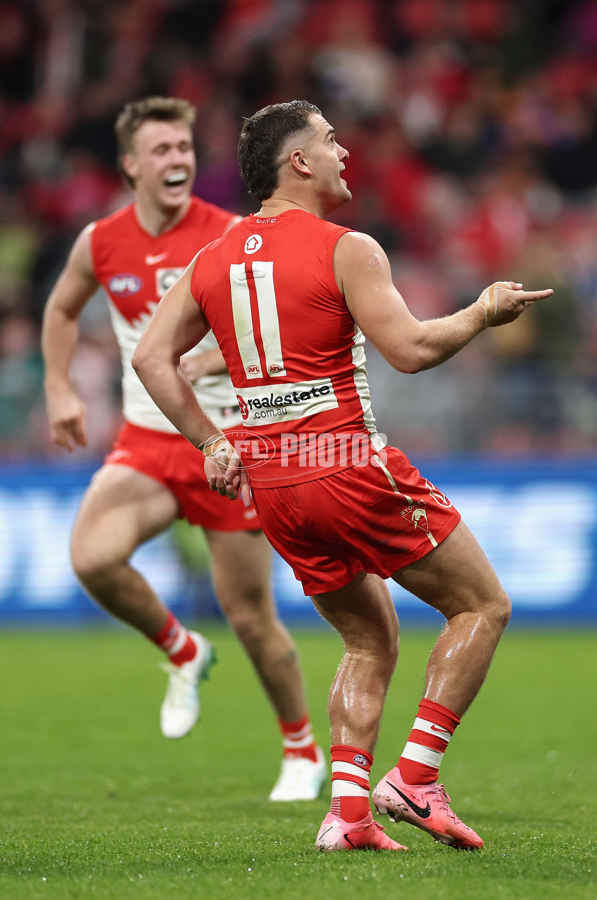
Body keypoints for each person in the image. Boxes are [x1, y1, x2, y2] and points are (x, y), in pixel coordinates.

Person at [132, 100, 553, 851]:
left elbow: (148, 358)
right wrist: (483, 312)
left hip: (276, 483)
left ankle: (348, 813)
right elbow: (413, 350)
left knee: (368, 639)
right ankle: (416, 778)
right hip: (345, 462)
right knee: (483, 606)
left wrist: (209, 441)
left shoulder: (213, 258)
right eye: (329, 141)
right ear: (298, 162)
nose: (343, 153)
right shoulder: (346, 247)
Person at [41, 96, 326, 803]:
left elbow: (281, 330)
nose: (177, 160)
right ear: (132, 165)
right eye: (161, 150)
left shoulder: (231, 236)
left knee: (252, 617)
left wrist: (214, 359)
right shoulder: (101, 242)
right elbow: (60, 309)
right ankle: (182, 650)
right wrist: (58, 389)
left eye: (184, 148)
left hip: (224, 446)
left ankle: (301, 749)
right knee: (91, 558)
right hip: (146, 441)